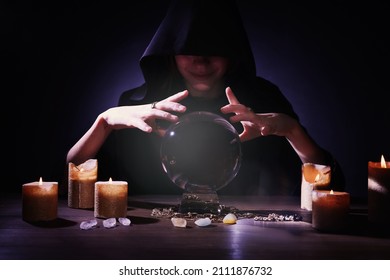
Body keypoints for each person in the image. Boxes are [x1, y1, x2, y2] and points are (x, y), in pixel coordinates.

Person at [66, 0, 345, 196]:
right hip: (154, 242)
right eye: (189, 49)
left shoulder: (263, 100)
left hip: (250, 238)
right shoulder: (139, 106)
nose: (201, 61)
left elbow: (328, 190)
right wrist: (104, 121)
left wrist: (292, 130)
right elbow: (73, 180)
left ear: (232, 52)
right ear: (170, 52)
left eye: (213, 48)